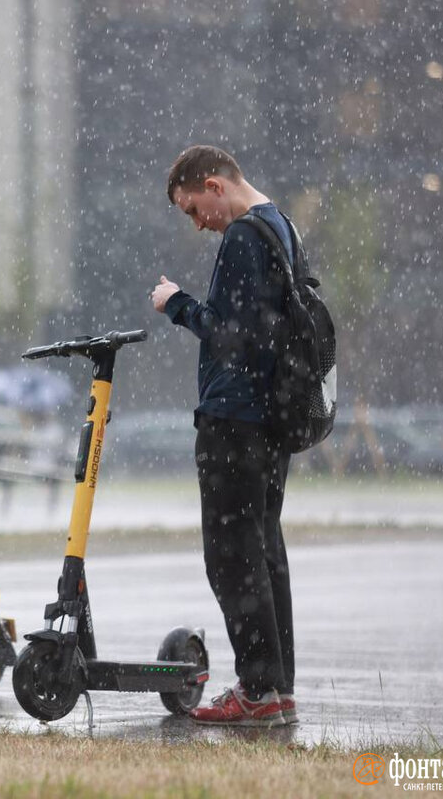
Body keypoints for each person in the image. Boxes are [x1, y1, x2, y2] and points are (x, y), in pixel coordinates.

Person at [149, 144, 297, 727]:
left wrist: (177, 304)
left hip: (234, 421)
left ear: (214, 185)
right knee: (266, 555)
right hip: (272, 420)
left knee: (232, 558)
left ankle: (256, 691)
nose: (196, 223)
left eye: (192, 208)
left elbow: (230, 335)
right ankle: (277, 689)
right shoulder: (281, 227)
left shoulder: (242, 236)